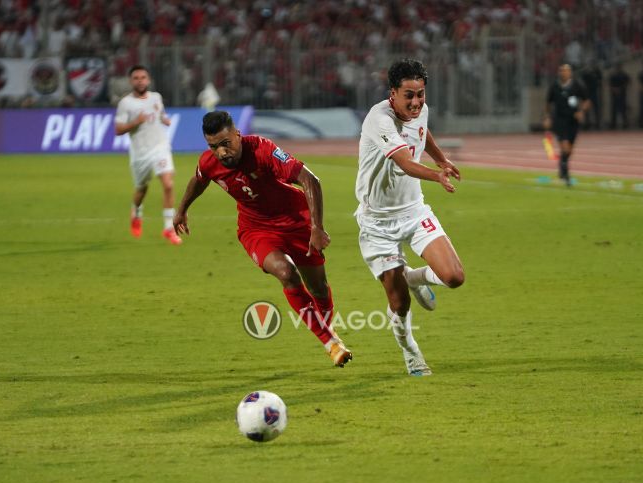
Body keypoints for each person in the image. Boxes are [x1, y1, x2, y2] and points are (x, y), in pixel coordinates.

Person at [172, 111, 353, 367]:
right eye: (214, 147)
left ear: (237, 135)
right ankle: (329, 342)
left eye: (226, 144)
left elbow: (310, 180)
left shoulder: (263, 150)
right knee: (286, 273)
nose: (222, 152)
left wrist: (316, 227)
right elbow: (199, 180)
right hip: (256, 229)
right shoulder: (210, 162)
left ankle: (326, 331)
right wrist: (182, 210)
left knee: (319, 288)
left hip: (296, 221)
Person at [353, 58, 464, 376]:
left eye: (421, 94)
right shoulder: (379, 119)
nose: (416, 102)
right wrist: (435, 175)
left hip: (413, 210)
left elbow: (422, 131)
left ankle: (413, 277)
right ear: (392, 94)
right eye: (409, 95)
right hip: (377, 223)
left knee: (454, 277)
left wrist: (442, 159)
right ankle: (411, 352)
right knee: (399, 303)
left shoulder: (420, 111)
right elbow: (403, 161)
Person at [114, 65, 181, 244]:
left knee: (168, 184)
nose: (140, 80)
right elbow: (118, 129)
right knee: (142, 189)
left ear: (148, 80)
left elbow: (159, 114)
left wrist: (164, 119)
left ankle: (169, 228)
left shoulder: (156, 97)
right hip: (140, 154)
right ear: (131, 81)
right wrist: (136, 122)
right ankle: (136, 211)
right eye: (136, 78)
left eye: (143, 77)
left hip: (160, 148)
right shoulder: (125, 103)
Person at [544, 63, 590, 186]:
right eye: (562, 70)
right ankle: (566, 175)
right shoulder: (554, 86)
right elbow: (548, 103)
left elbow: (586, 101)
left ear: (570, 72)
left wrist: (581, 111)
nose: (564, 72)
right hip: (559, 120)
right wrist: (548, 117)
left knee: (569, 150)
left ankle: (562, 165)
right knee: (564, 146)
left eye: (567, 70)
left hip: (573, 121)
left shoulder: (577, 85)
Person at [608, 63, 630, 129]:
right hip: (614, 94)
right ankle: (613, 123)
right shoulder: (612, 75)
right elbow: (610, 84)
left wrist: (620, 89)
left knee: (623, 109)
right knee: (613, 109)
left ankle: (625, 123)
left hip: (622, 94)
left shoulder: (624, 75)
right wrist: (615, 89)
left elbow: (627, 83)